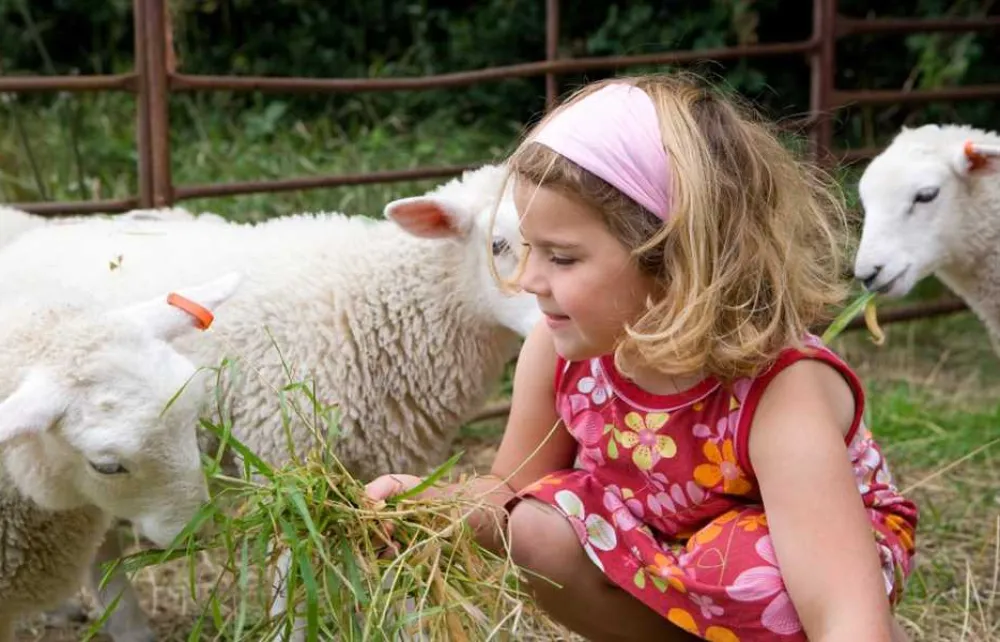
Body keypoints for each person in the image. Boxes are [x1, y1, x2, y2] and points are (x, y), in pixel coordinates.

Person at [365, 72, 918, 642]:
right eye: (529, 249)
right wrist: (429, 507)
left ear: (674, 257)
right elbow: (507, 491)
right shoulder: (562, 354)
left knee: (741, 562)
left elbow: (841, 614)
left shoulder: (778, 387)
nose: (528, 279)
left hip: (804, 566)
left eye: (562, 258)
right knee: (534, 524)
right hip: (665, 549)